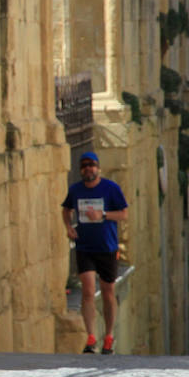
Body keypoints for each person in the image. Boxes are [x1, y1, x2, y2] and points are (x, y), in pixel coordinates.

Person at [61, 151, 129, 354]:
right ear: (81, 170)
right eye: (84, 166)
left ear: (98, 168)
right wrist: (68, 227)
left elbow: (124, 214)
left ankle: (108, 336)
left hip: (107, 247)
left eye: (92, 165)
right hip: (85, 246)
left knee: (108, 292)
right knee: (88, 290)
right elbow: (66, 209)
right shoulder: (76, 190)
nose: (88, 169)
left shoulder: (110, 189)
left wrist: (104, 214)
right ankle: (91, 338)